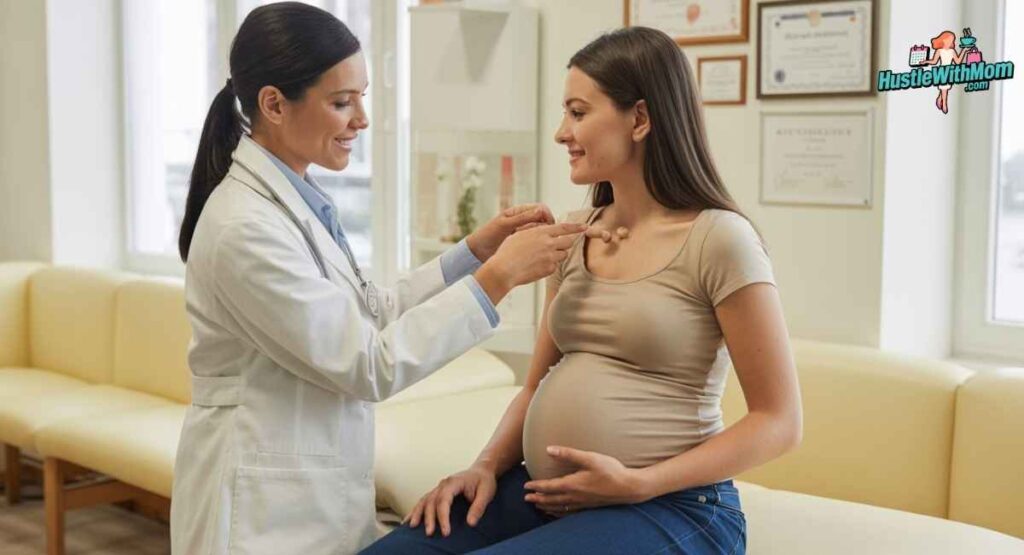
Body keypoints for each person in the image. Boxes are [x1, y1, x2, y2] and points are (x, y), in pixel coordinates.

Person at [363, 26, 803, 555]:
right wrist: (484, 465)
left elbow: (779, 422)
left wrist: (640, 481)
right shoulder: (575, 234)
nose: (560, 132)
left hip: (676, 507)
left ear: (639, 119)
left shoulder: (720, 239)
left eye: (577, 112)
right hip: (543, 492)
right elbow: (535, 385)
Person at [169, 3, 588, 554]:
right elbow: (367, 364)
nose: (362, 119)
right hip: (260, 510)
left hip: (307, 491)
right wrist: (497, 279)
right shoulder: (244, 228)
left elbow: (368, 312)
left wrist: (473, 253)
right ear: (273, 104)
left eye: (361, 97)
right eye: (342, 102)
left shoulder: (292, 202)